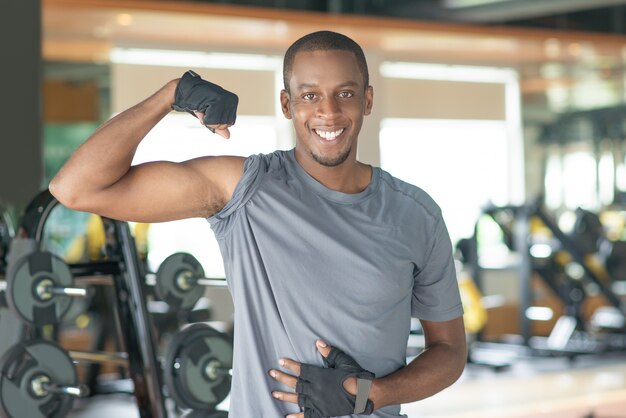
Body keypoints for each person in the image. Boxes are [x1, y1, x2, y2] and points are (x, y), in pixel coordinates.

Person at [50, 30, 466, 417]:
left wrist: (370, 395)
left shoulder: (416, 214)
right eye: (309, 95)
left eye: (345, 93)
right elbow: (76, 188)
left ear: (367, 100)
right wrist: (170, 96)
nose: (328, 111)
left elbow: (449, 350)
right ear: (287, 104)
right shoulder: (245, 191)